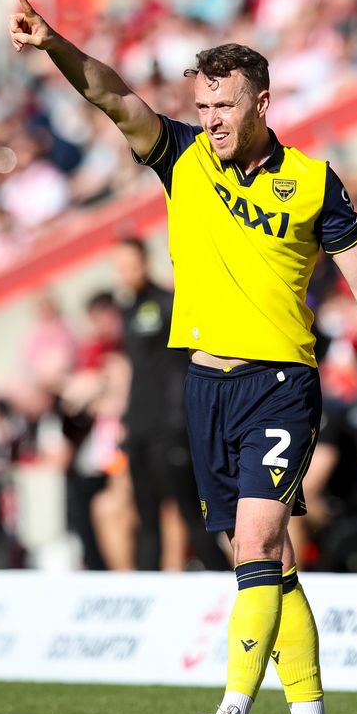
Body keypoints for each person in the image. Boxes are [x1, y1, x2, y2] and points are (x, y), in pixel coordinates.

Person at [11, 0, 357, 714]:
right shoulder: (182, 159)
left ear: (262, 102)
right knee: (266, 560)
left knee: (263, 538)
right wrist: (55, 45)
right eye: (201, 105)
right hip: (205, 389)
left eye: (224, 105)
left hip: (280, 385)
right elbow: (109, 94)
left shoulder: (312, 183)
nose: (210, 119)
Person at [113, 236, 227, 572]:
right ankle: (147, 591)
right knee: (146, 518)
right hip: (140, 429)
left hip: (171, 426)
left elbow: (184, 363)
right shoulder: (127, 310)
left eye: (131, 265)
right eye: (119, 267)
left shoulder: (167, 303)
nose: (126, 273)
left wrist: (183, 420)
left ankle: (226, 584)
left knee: (192, 513)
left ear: (146, 263)